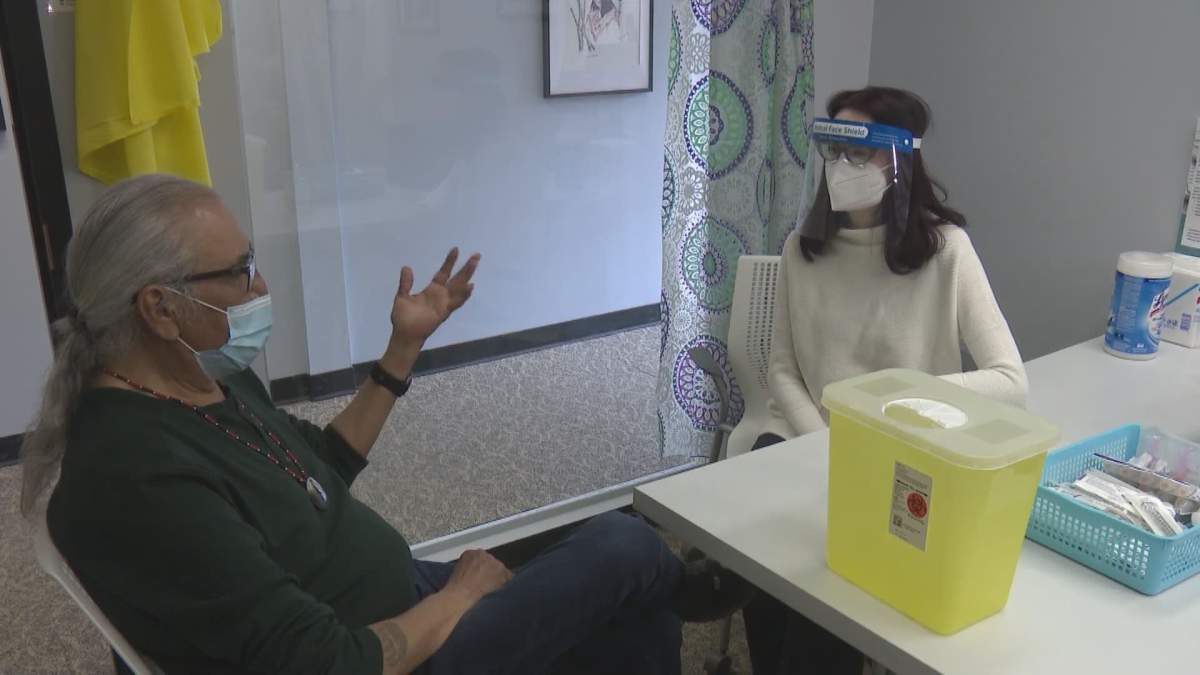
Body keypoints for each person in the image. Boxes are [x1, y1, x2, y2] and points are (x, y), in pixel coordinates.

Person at [20, 174, 747, 675]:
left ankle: (664, 590)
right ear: (159, 307)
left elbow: (321, 466)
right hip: (394, 653)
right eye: (239, 271)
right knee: (625, 543)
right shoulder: (134, 475)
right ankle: (682, 586)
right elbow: (331, 661)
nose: (261, 288)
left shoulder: (205, 380)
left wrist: (403, 349)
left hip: (406, 597)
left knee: (633, 602)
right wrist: (461, 596)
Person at [745, 87, 1028, 673]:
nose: (840, 169)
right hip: (812, 445)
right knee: (766, 568)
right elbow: (782, 368)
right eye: (833, 152)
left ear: (899, 160)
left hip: (908, 457)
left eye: (859, 154)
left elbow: (1008, 381)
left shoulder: (947, 252)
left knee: (828, 596)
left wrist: (889, 406)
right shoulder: (803, 251)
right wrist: (824, 440)